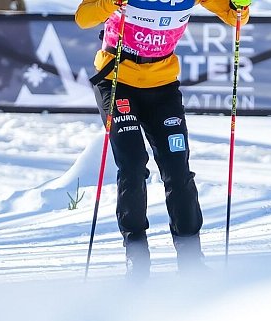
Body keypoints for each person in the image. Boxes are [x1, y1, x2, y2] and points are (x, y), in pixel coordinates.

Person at [75, 0, 252, 279]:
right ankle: (137, 258)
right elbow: (83, 18)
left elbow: (236, 16)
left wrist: (240, 5)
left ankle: (191, 259)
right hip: (117, 78)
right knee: (132, 165)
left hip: (162, 85)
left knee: (176, 168)